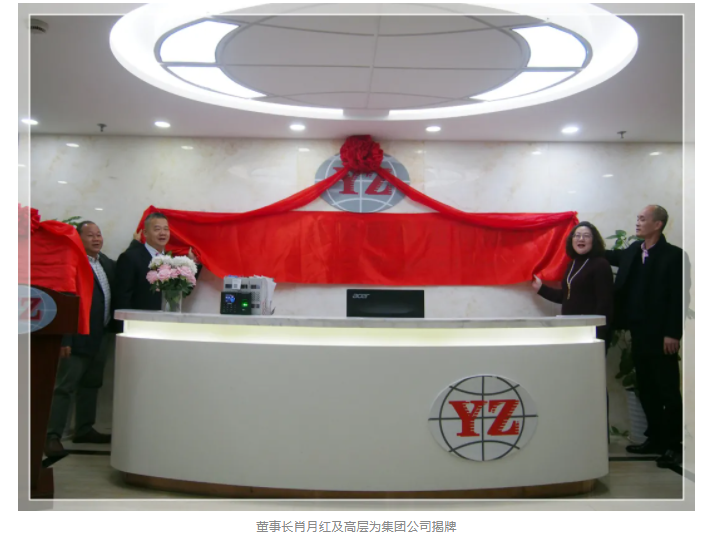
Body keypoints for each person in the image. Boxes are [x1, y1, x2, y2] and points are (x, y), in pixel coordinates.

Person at [605, 205, 689, 468]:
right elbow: (610, 255)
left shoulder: (674, 256)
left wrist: (672, 333)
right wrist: (581, 240)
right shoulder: (634, 251)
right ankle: (656, 439)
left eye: (643, 219)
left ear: (658, 224)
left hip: (663, 336)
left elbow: (679, 298)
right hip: (638, 334)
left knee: (667, 391)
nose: (638, 222)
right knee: (647, 389)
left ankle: (675, 446)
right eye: (638, 218)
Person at [45, 221, 116, 457]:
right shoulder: (73, 263)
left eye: (99, 234)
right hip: (76, 337)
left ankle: (84, 429)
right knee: (64, 387)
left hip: (100, 336)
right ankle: (52, 435)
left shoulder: (106, 263)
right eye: (90, 235)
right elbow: (66, 302)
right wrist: (65, 339)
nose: (96, 239)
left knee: (91, 384)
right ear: (78, 238)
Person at [532, 221, 614, 349]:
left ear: (594, 241)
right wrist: (541, 288)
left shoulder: (600, 264)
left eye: (586, 236)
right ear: (572, 240)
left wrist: (599, 333)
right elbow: (566, 296)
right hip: (571, 328)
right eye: (577, 235)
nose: (581, 239)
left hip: (591, 332)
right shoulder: (572, 264)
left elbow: (605, 303)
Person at [114, 212, 200, 310]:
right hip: (139, 318)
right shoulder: (130, 258)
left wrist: (193, 263)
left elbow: (181, 291)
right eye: (157, 229)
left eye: (166, 229)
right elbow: (122, 298)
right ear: (145, 233)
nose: (162, 233)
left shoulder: (171, 261)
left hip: (164, 318)